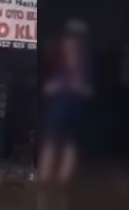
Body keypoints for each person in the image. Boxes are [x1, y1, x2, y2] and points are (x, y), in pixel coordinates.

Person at [39, 22, 93, 185]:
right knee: (50, 142)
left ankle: (63, 180)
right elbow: (46, 89)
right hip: (56, 110)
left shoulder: (86, 67)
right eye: (66, 45)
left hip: (74, 110)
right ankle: (45, 178)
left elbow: (90, 92)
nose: (68, 48)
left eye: (72, 45)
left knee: (69, 144)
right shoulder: (57, 66)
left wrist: (79, 87)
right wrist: (52, 87)